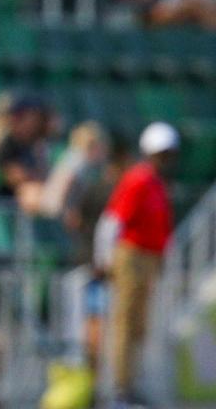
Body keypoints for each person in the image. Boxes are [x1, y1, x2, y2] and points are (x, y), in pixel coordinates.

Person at [94, 122, 178, 406]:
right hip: (131, 256)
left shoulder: (155, 182)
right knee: (125, 323)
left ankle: (131, 383)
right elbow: (113, 221)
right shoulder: (139, 179)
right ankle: (120, 388)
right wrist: (104, 259)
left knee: (139, 325)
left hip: (148, 259)